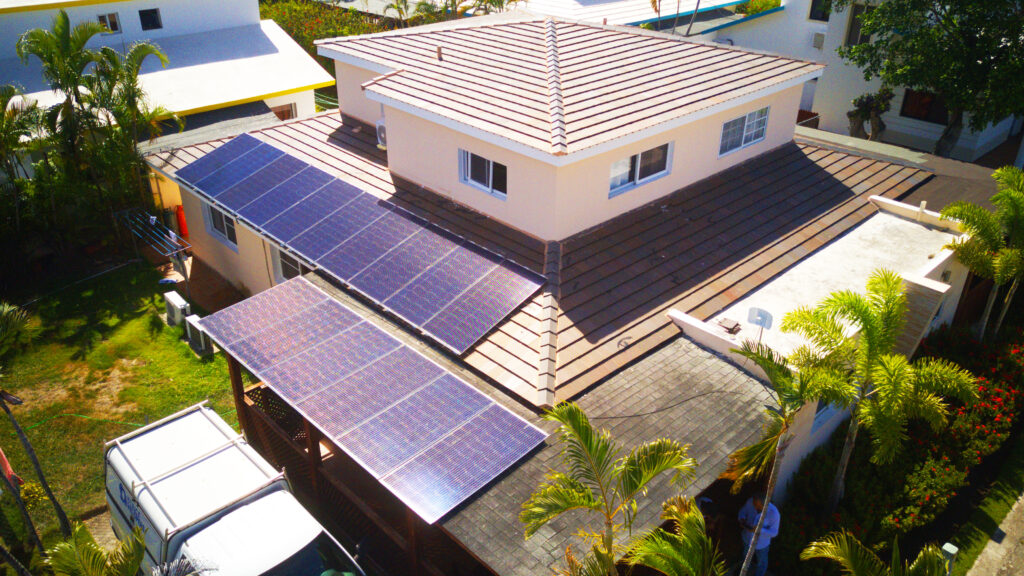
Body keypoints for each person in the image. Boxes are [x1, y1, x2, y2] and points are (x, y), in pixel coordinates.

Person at [737, 494, 780, 576]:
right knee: (745, 558)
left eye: (757, 505)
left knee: (761, 562)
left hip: (761, 545)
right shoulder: (750, 501)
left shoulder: (774, 514)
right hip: (747, 539)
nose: (754, 507)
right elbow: (743, 511)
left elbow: (774, 532)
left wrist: (760, 530)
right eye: (754, 504)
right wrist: (741, 518)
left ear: (764, 505)